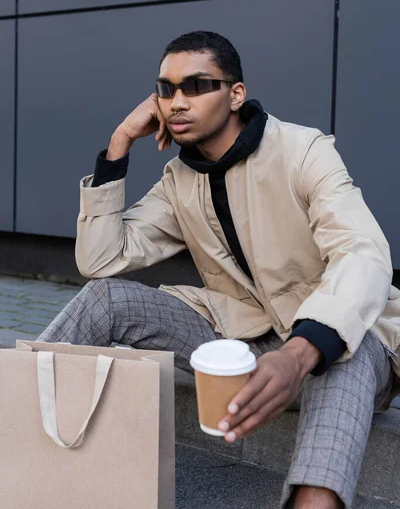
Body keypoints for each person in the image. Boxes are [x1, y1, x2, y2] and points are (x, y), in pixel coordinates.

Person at [38, 30, 400, 509]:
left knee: (343, 353)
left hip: (330, 343)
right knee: (107, 298)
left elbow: (364, 252)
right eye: (165, 90)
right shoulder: (178, 180)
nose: (176, 102)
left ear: (235, 94)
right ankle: (20, 423)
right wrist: (120, 144)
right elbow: (101, 261)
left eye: (196, 85)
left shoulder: (302, 151)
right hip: (243, 344)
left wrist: (298, 352)